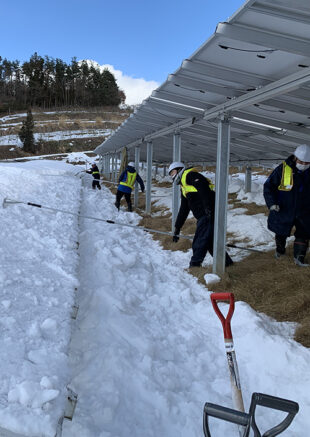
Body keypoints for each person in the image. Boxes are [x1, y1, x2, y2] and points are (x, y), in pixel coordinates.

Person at [168, 161, 233, 268]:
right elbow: (184, 209)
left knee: (200, 241)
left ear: (179, 170)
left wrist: (208, 208)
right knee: (210, 243)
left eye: (173, 172)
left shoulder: (190, 175)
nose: (172, 176)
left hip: (207, 214)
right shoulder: (184, 186)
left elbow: (204, 189)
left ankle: (194, 266)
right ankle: (227, 263)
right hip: (205, 215)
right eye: (171, 174)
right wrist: (177, 227)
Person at [263, 144, 310, 266]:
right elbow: (269, 186)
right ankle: (280, 251)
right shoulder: (283, 169)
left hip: (305, 209)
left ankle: (299, 258)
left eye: (307, 163)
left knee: (304, 232)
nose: (304, 165)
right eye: (301, 161)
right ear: (295, 158)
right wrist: (272, 203)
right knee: (281, 231)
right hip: (284, 207)